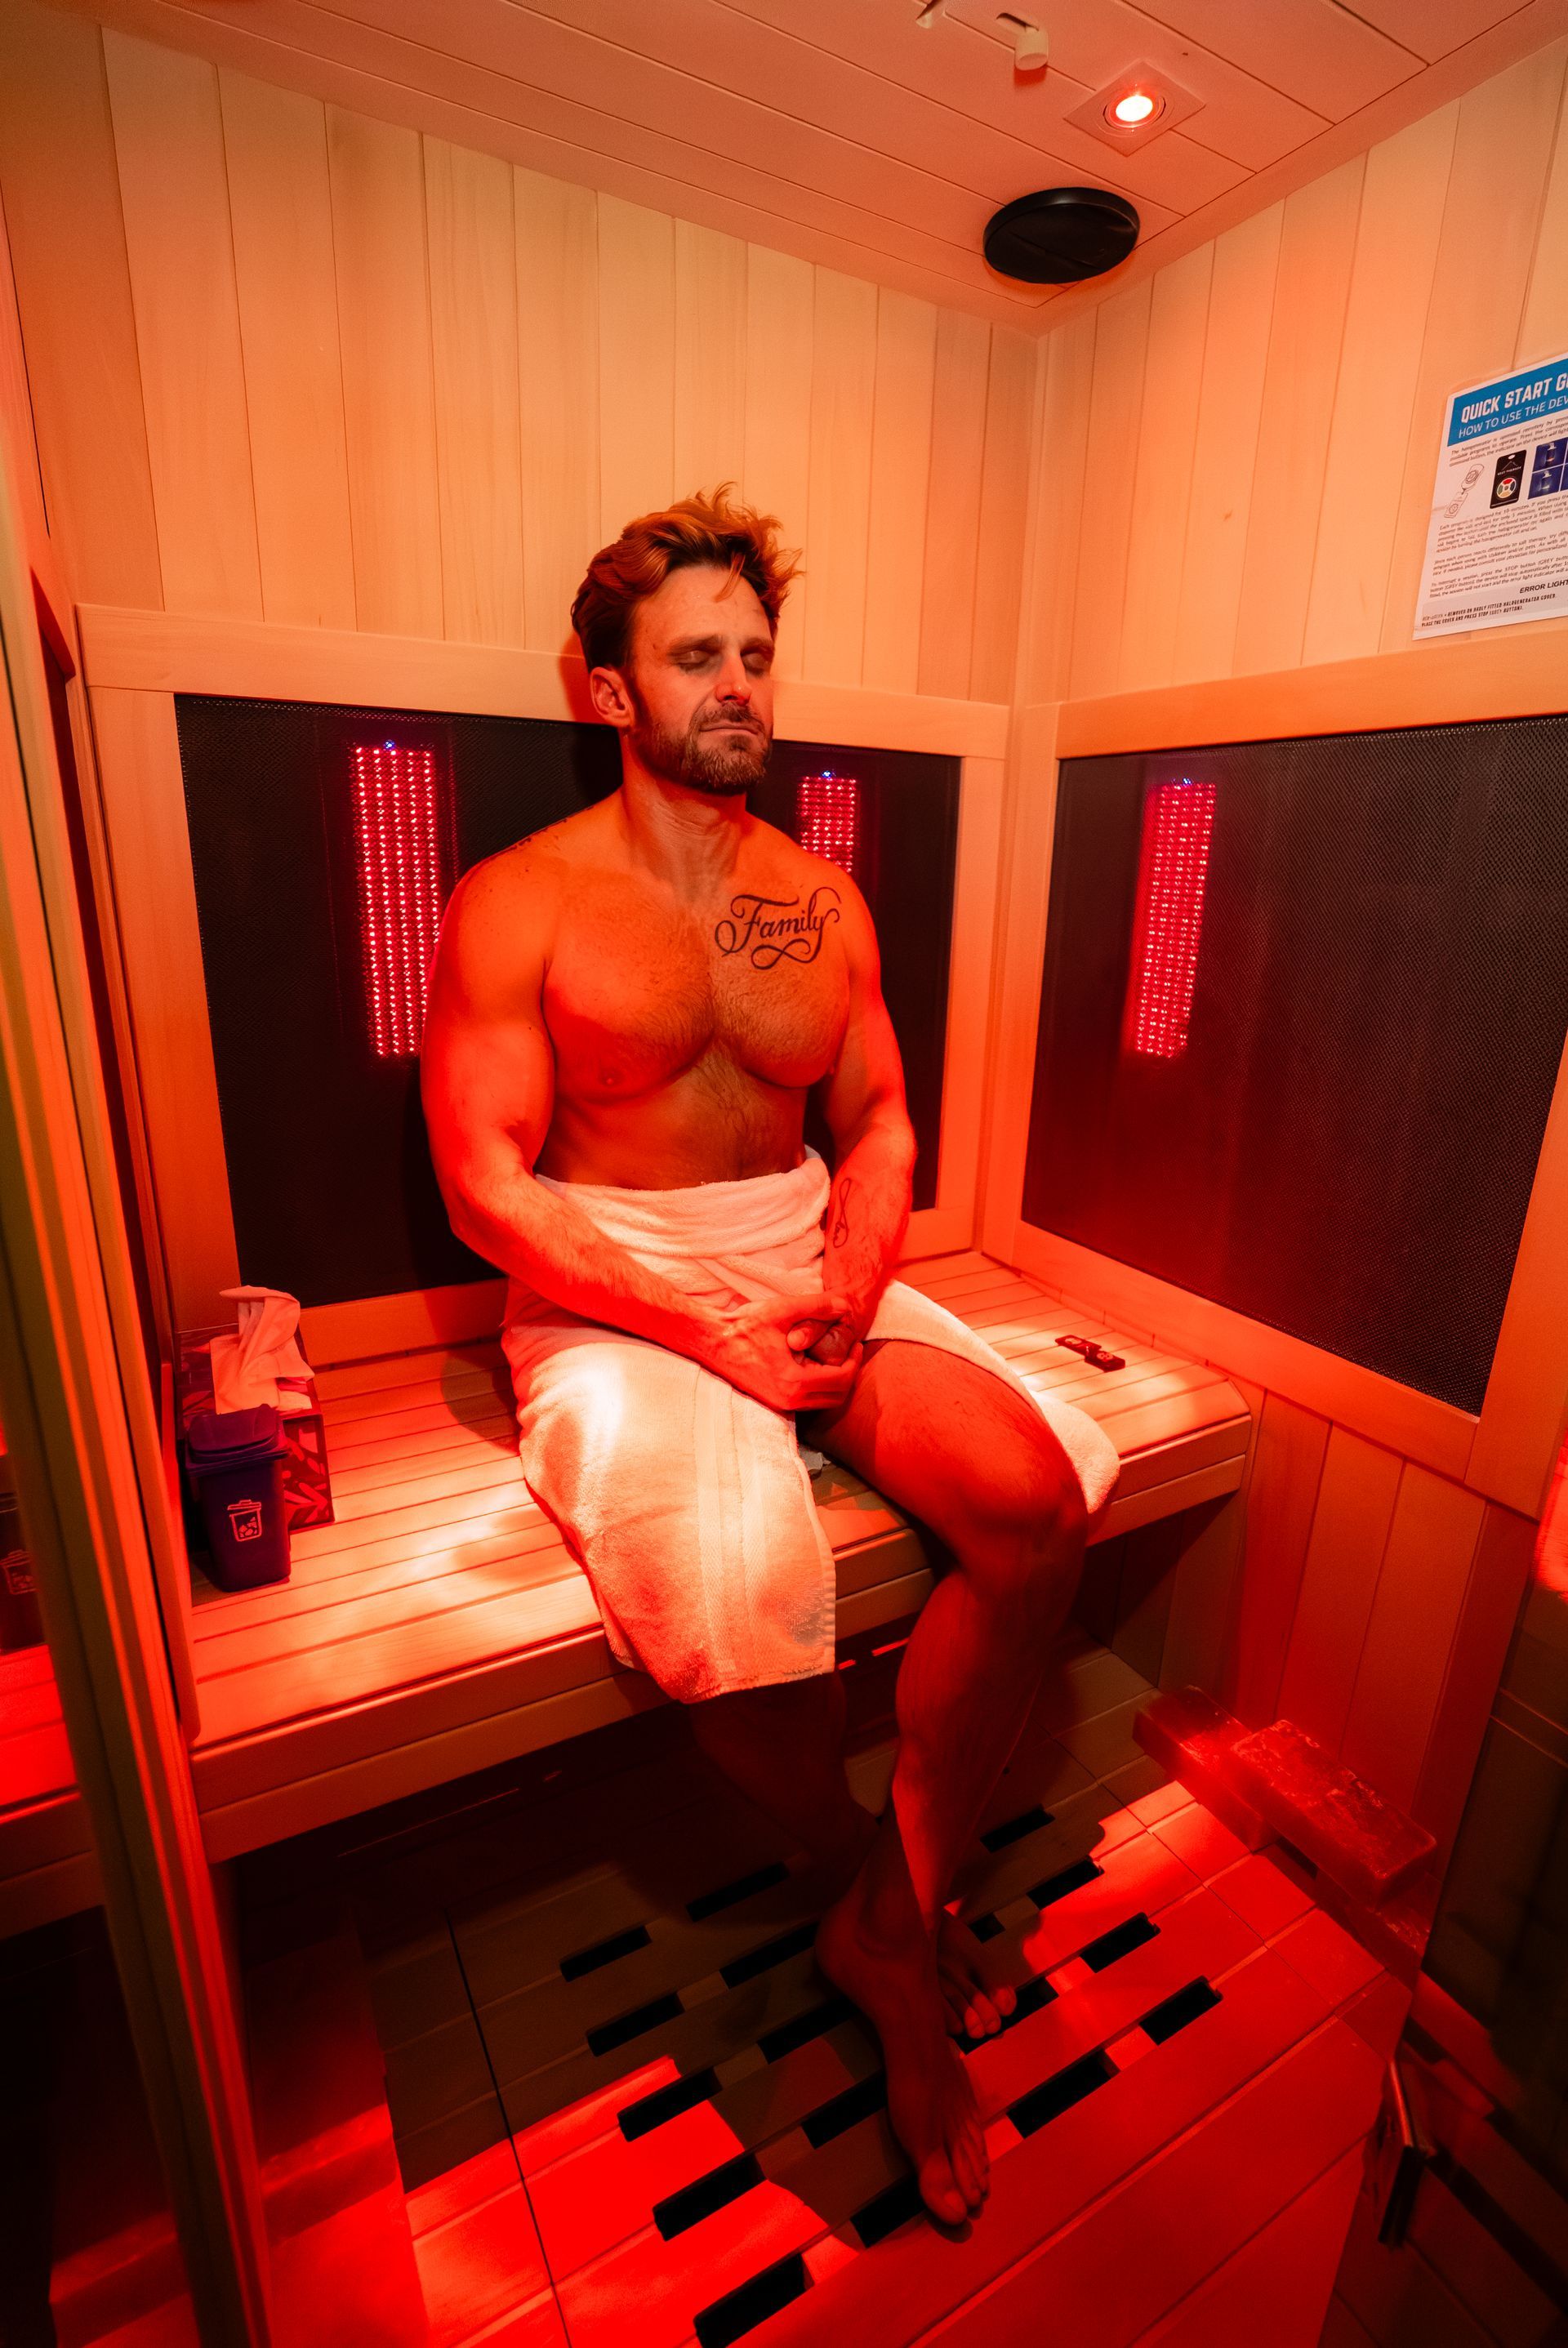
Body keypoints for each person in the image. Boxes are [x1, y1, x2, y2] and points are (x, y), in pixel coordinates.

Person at [420, 488, 1118, 2229]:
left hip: (809, 1267)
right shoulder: (519, 901)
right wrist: (699, 1324)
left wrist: (853, 1285)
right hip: (615, 1287)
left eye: (754, 652)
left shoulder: (822, 900)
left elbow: (878, 1125)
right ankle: (879, 1887)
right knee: (739, 1599)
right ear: (609, 691)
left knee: (1035, 1506)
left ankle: (884, 1925)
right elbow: (484, 1184)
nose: (737, 683)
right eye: (695, 657)